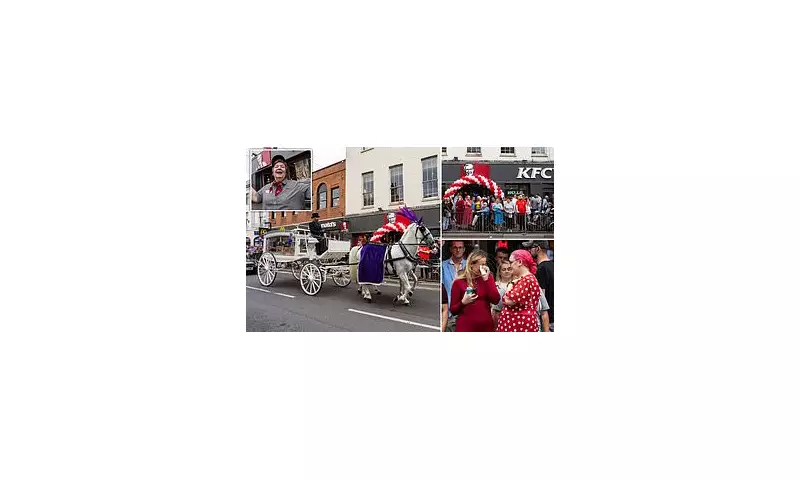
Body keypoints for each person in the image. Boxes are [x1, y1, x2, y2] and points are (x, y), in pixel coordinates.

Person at [450, 250, 500, 332]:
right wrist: (463, 302)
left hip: (485, 326)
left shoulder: (488, 278)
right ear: (471, 265)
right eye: (481, 264)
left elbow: (496, 300)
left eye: (485, 264)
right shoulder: (458, 282)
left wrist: (487, 280)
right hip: (466, 326)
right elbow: (453, 310)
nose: (483, 267)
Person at [497, 249, 541, 332]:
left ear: (520, 262)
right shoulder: (527, 279)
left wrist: (511, 285)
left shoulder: (527, 280)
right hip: (519, 325)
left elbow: (508, 301)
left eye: (511, 262)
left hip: (519, 325)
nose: (510, 266)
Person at [522, 239, 554, 331]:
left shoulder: (541, 269)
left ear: (538, 248)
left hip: (548, 320)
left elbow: (540, 297)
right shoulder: (552, 265)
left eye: (530, 248)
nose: (529, 251)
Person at [442, 241, 467, 311]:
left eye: (460, 247)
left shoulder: (469, 265)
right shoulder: (443, 265)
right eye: (455, 248)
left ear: (464, 249)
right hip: (449, 310)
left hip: (466, 310)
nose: (458, 250)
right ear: (451, 249)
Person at [491, 260, 515, 330]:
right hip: (497, 315)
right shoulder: (494, 285)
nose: (507, 271)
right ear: (500, 272)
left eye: (509, 269)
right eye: (504, 269)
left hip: (513, 315)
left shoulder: (517, 284)